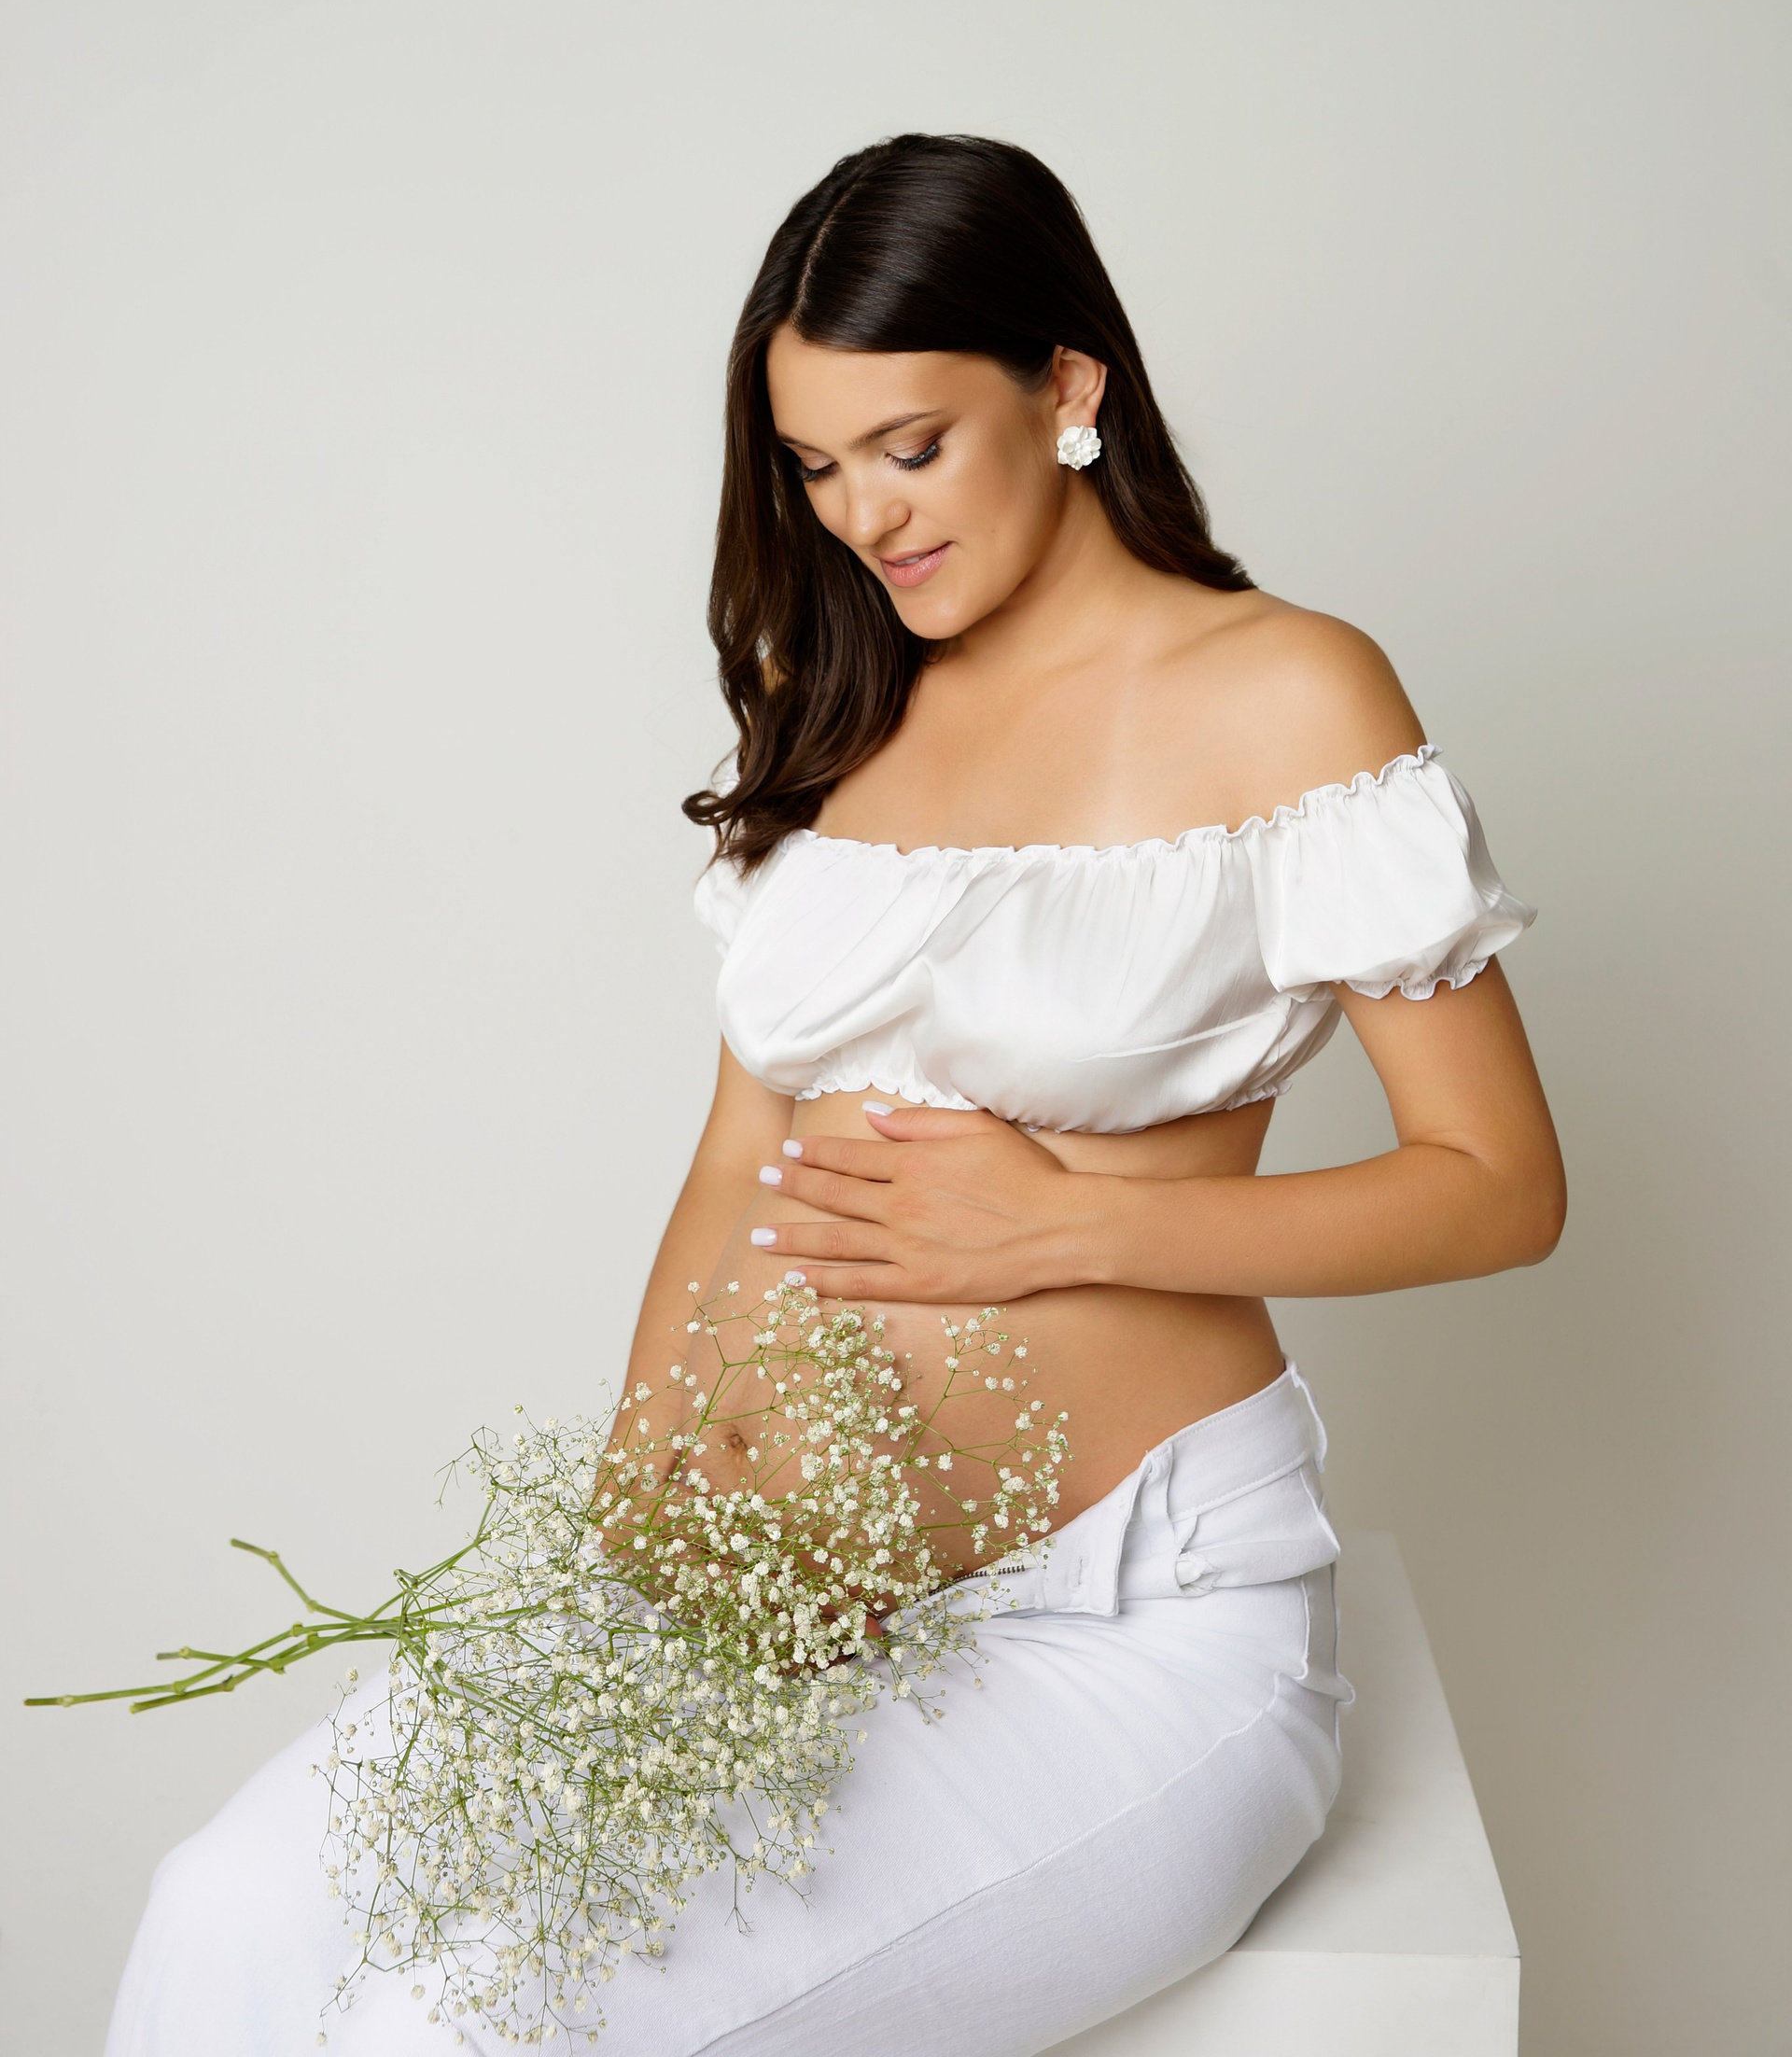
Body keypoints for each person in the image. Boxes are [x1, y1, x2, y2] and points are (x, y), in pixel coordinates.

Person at [106, 134, 1563, 2056]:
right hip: (754, 1607)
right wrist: (650, 1502)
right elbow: (741, 1156)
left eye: (910, 446)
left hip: (1116, 1632)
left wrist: (1077, 1225)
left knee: (463, 2027)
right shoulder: (844, 690)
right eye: (813, 465)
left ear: (1067, 387)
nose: (864, 515)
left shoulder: (1288, 694)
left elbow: (1497, 1184)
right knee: (219, 1918)